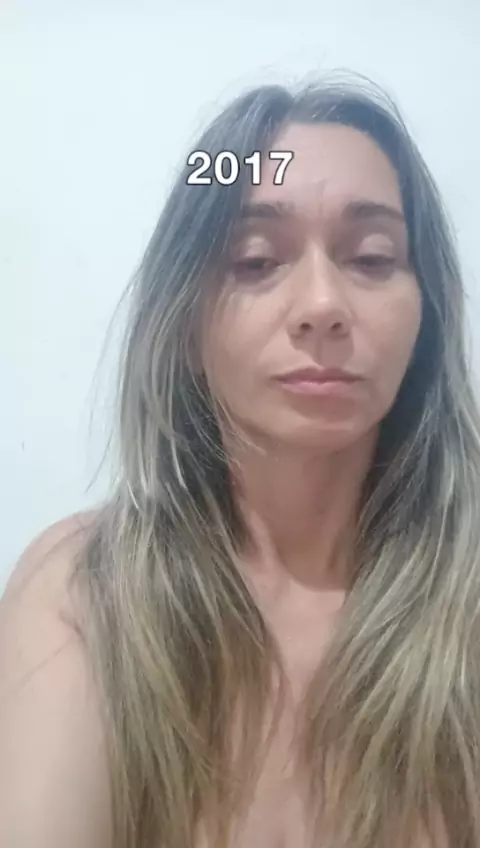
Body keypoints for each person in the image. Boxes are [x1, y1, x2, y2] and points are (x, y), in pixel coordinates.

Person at [1, 71, 478, 848]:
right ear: (185, 322)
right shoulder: (85, 593)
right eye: (255, 262)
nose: (322, 305)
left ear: (427, 315)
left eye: (371, 258)